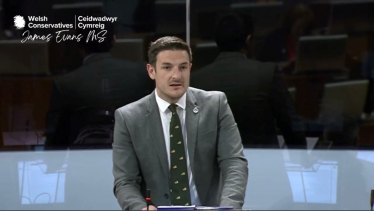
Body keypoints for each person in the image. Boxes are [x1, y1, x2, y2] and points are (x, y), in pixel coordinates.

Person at [112, 36, 248, 210]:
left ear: (190, 68)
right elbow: (125, 181)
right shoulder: (128, 118)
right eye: (167, 67)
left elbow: (234, 162)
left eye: (183, 67)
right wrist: (139, 208)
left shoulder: (215, 105)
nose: (176, 75)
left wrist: (229, 207)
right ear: (151, 71)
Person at [191, 12, 306, 149]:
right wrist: (302, 158)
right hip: (263, 165)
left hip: (218, 168)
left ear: (217, 42)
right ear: (248, 40)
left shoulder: (195, 81)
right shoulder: (266, 73)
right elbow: (289, 123)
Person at [45, 14, 153, 149]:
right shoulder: (144, 73)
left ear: (78, 43)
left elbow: (55, 140)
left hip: (84, 163)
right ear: (113, 40)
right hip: (134, 161)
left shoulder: (65, 84)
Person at [258, 4, 314, 73]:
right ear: (290, 24)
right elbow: (262, 66)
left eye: (305, 28)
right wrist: (287, 64)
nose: (301, 32)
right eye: (298, 28)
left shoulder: (311, 39)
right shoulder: (274, 39)